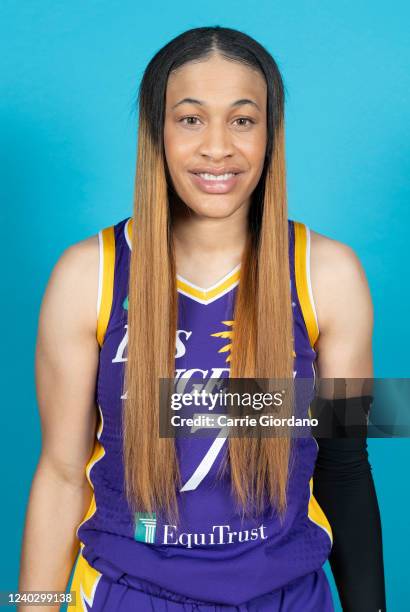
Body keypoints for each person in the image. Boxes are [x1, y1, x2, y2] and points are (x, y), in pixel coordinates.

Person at [19, 26, 386, 612]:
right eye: (191, 119)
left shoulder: (329, 274)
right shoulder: (87, 275)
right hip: (126, 596)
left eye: (243, 120)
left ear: (271, 133)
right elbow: (62, 475)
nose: (218, 147)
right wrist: (27, 606)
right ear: (155, 132)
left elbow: (344, 467)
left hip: (288, 599)